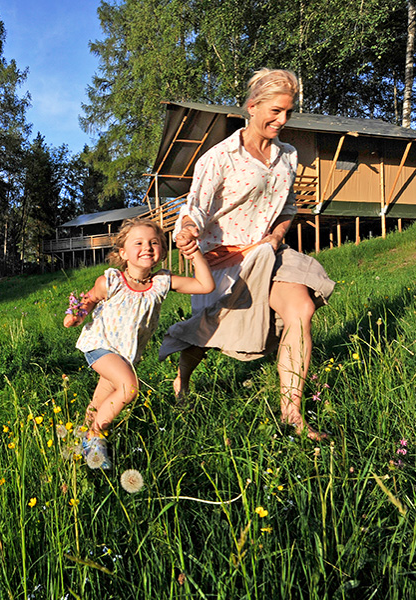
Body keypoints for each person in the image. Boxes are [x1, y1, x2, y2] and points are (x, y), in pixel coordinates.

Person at [159, 68, 336, 441]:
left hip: (269, 252)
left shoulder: (287, 156)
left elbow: (288, 208)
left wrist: (277, 235)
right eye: (275, 111)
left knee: (300, 309)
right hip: (224, 259)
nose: (282, 120)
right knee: (207, 335)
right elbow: (196, 207)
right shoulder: (220, 157)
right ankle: (182, 381)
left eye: (288, 112)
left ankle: (292, 415)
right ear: (252, 107)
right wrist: (187, 230)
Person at [64, 218, 214, 469]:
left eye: (154, 242)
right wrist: (76, 315)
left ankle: (80, 438)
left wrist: (193, 252)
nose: (147, 247)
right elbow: (88, 299)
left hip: (125, 355)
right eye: (139, 243)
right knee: (129, 388)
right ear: (123, 253)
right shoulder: (111, 281)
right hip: (100, 345)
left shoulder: (161, 283)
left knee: (100, 401)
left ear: (162, 252)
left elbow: (205, 285)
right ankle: (94, 437)